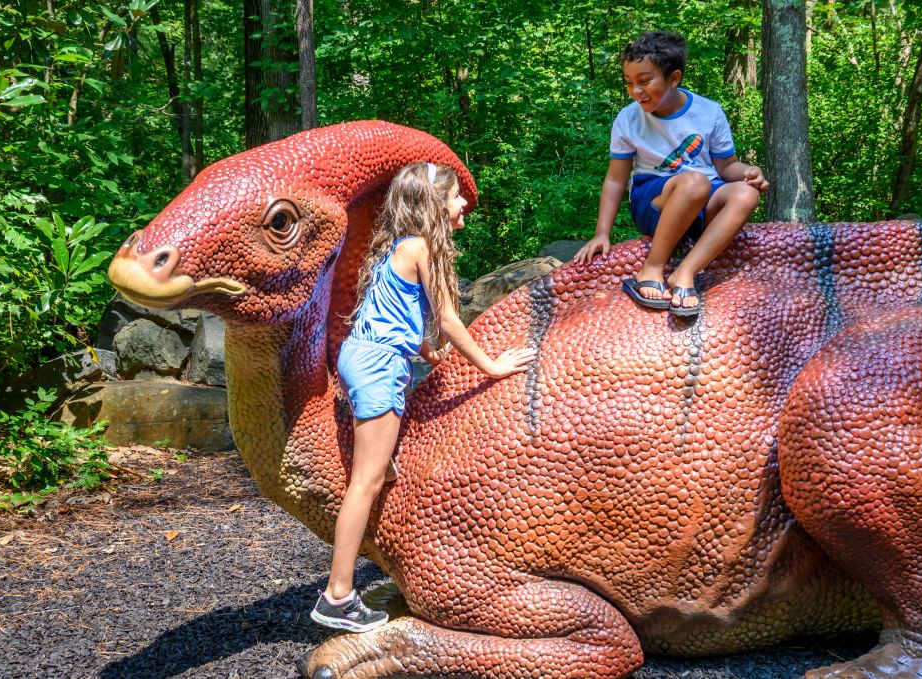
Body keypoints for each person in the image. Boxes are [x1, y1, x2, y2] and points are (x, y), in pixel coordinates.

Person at [311, 161, 536, 632]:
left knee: (381, 472)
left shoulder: (396, 246)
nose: (462, 206)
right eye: (456, 197)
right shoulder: (422, 247)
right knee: (365, 483)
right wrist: (492, 366)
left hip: (363, 356)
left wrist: (424, 348)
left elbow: (390, 310)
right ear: (435, 203)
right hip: (378, 366)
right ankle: (337, 596)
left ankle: (379, 560)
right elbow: (451, 318)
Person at [573, 30, 769, 317]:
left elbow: (726, 167)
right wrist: (602, 233)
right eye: (629, 83)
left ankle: (685, 272)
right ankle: (651, 267)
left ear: (673, 78)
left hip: (704, 198)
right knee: (694, 182)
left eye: (644, 81)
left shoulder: (709, 112)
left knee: (744, 192)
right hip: (655, 199)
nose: (635, 91)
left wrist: (749, 173)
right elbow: (616, 179)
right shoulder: (628, 119)